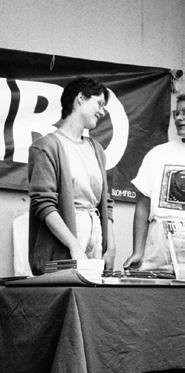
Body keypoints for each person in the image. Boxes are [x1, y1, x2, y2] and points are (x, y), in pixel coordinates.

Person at [27, 76, 116, 275]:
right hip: (62, 247)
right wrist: (74, 245)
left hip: (95, 242)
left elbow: (107, 203)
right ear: (81, 98)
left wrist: (110, 246)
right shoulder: (46, 147)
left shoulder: (97, 149)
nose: (102, 111)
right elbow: (44, 204)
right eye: (99, 103)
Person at [123, 94, 185, 273]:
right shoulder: (158, 154)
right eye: (176, 113)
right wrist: (138, 251)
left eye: (184, 112)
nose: (179, 118)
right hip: (160, 246)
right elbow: (143, 206)